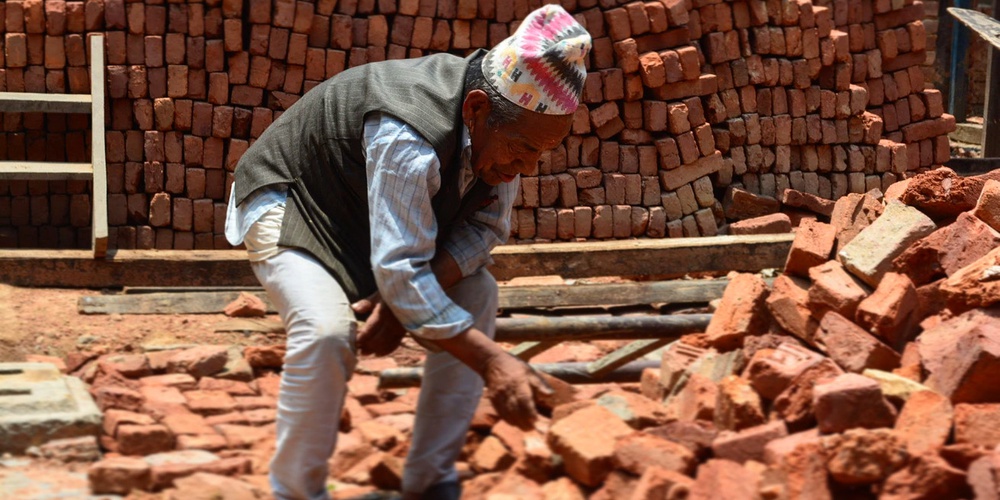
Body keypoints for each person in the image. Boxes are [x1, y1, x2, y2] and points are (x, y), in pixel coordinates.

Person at [224, 5, 592, 499]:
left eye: (540, 155)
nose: (525, 167)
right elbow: (398, 267)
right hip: (296, 203)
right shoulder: (409, 130)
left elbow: (486, 229)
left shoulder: (508, 132)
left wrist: (403, 305)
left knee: (477, 292)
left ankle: (430, 480)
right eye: (523, 148)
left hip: (369, 220)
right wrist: (493, 362)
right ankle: (295, 490)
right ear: (477, 109)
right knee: (326, 332)